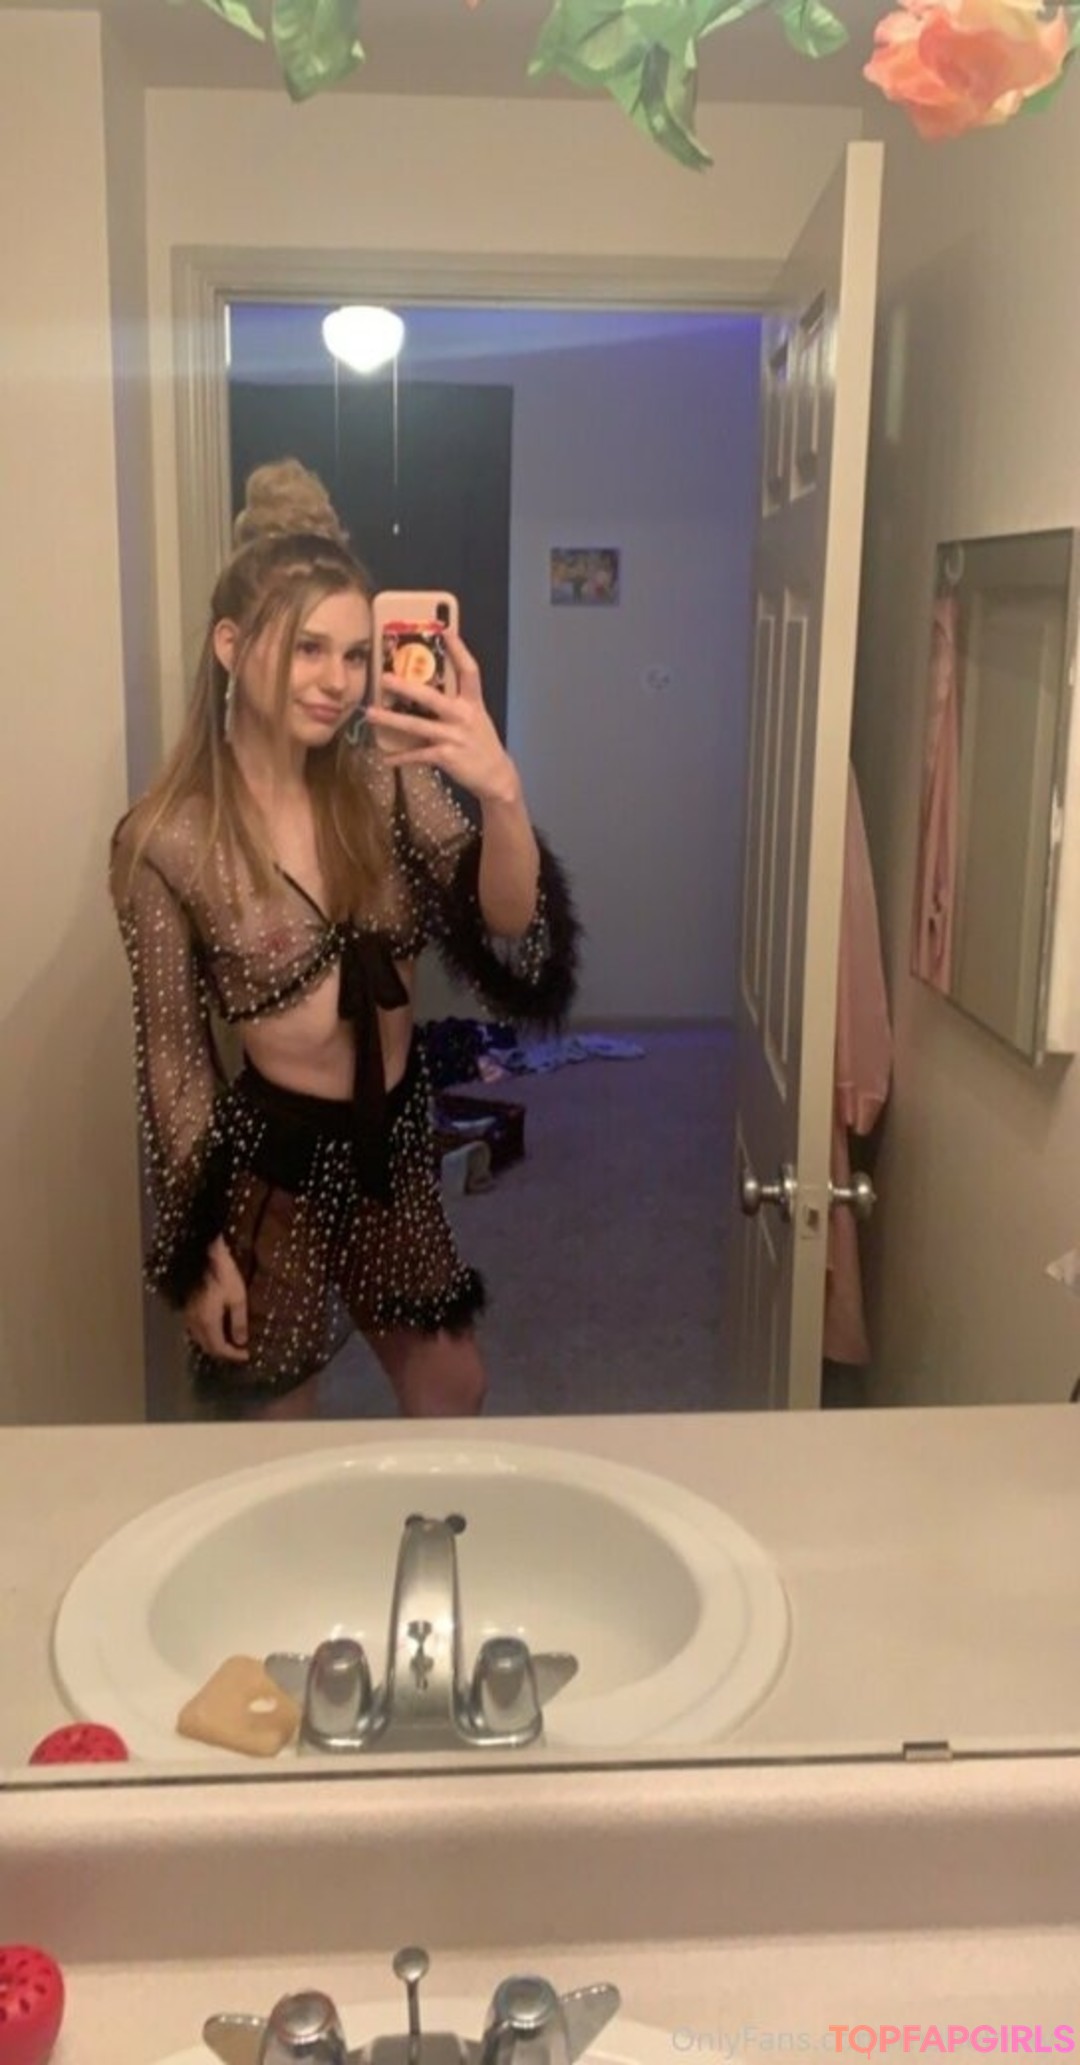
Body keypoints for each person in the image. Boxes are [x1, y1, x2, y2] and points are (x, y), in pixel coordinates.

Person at [111, 459, 580, 1420]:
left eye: (357, 653)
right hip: (269, 1164)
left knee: (453, 1386)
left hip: (391, 1142)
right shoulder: (169, 839)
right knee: (275, 1422)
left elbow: (504, 922)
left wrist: (501, 793)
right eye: (308, 648)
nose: (337, 681)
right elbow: (175, 1063)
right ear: (232, 645)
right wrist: (198, 1248)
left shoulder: (385, 780)